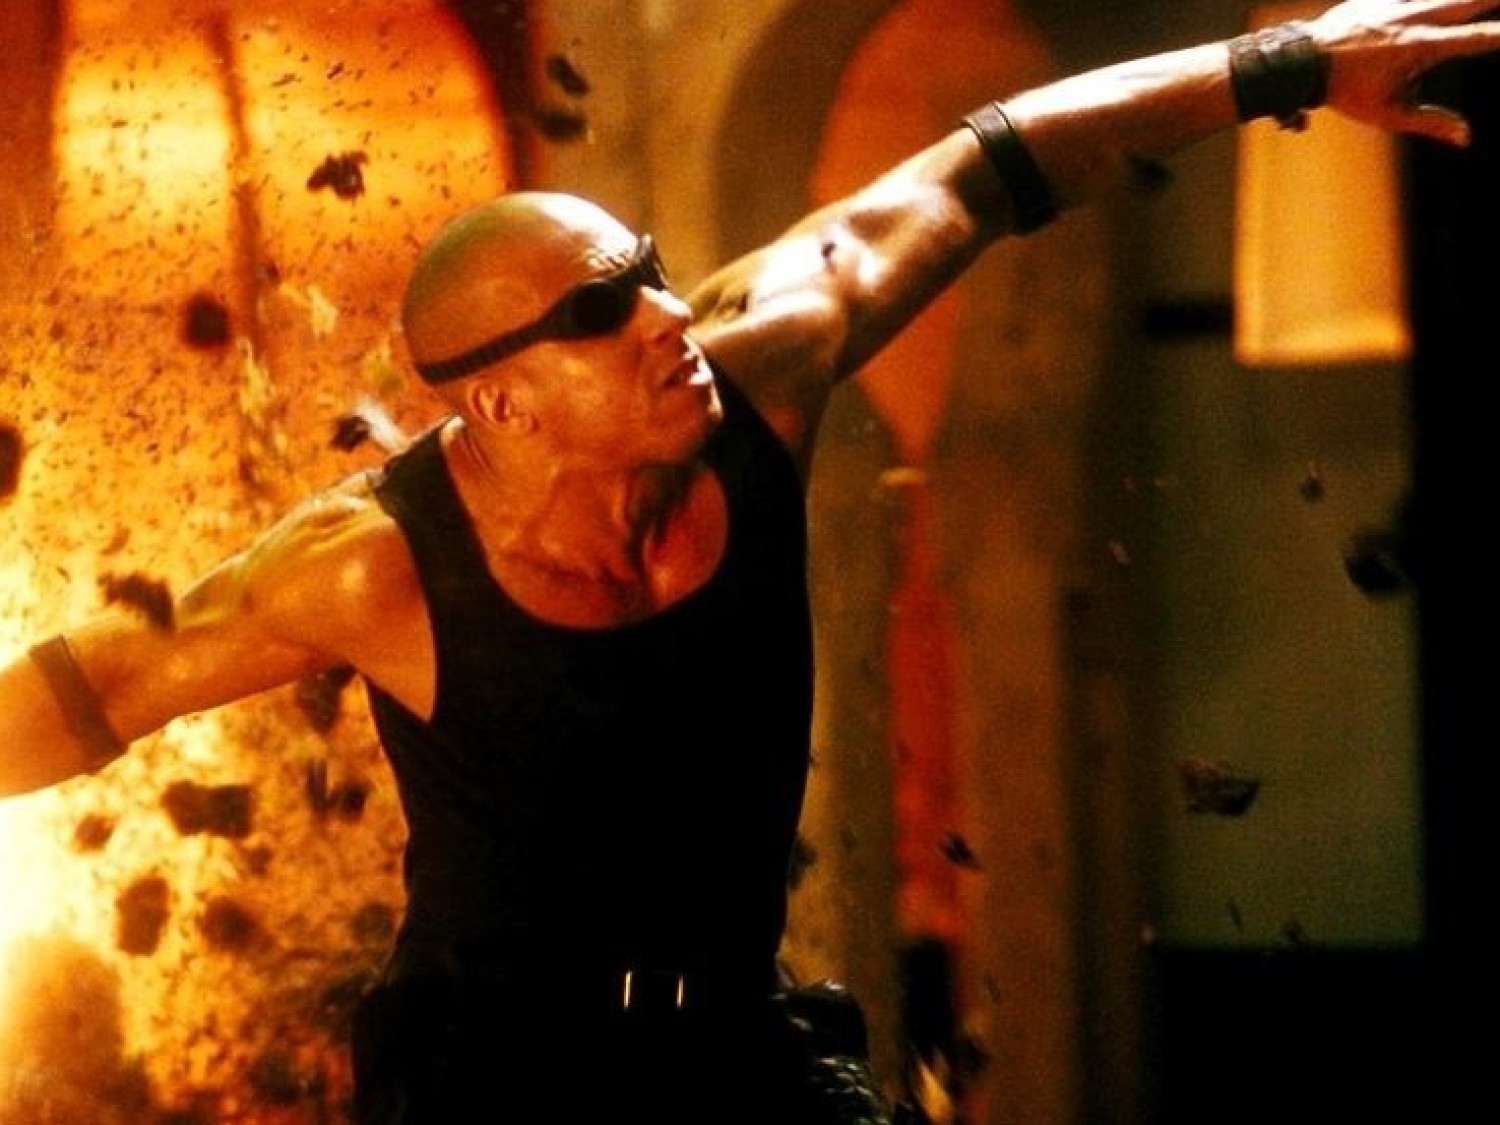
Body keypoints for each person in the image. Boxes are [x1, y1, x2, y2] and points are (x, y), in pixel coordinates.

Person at [3, 2, 1498, 1121]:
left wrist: (1290, 64)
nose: (666, 319)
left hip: (734, 1045)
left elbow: (991, 165)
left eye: (650, 275)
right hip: (488, 1077)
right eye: (601, 312)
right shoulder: (371, 564)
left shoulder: (763, 377)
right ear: (502, 404)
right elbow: (98, 692)